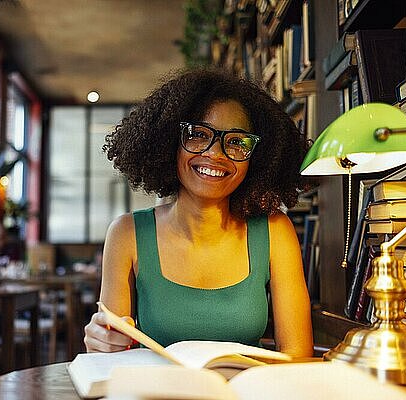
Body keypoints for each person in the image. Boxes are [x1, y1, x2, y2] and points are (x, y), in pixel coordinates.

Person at [83, 68, 314, 357]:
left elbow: (296, 354)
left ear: (257, 157)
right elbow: (111, 353)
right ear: (169, 144)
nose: (216, 154)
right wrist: (101, 343)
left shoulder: (275, 230)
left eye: (236, 142)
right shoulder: (127, 233)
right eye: (197, 135)